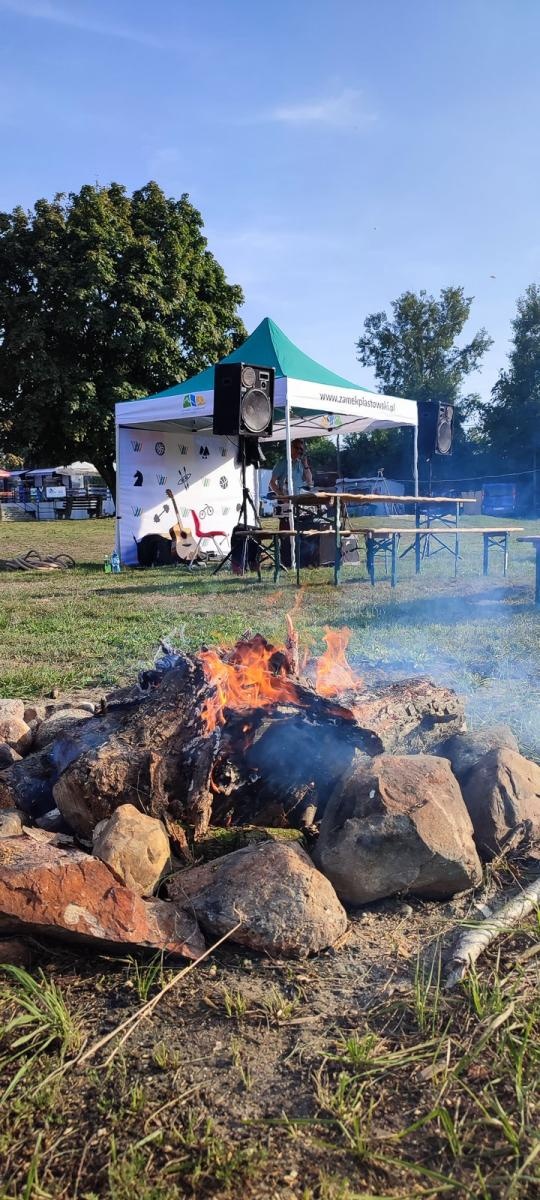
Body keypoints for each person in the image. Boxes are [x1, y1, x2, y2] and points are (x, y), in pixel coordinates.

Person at [270, 439, 313, 566]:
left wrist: (305, 464)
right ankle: (285, 560)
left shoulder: (300, 464)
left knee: (302, 528)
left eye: (302, 449)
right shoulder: (283, 463)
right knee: (286, 532)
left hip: (299, 501)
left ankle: (302, 558)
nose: (300, 451)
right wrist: (281, 496)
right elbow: (272, 483)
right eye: (298, 448)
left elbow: (310, 481)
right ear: (291, 448)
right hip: (286, 502)